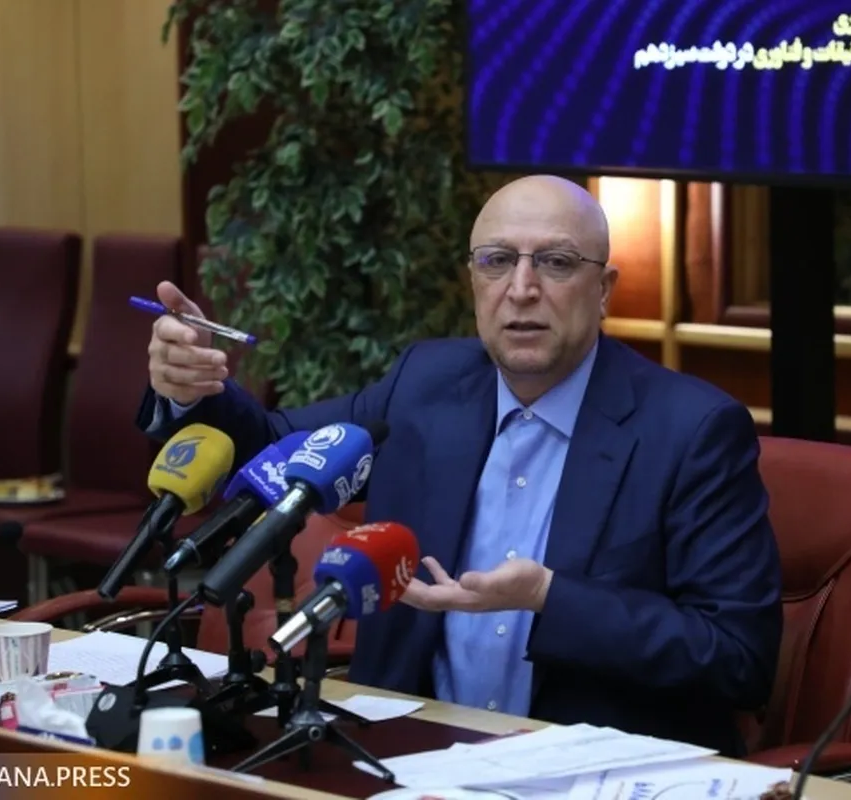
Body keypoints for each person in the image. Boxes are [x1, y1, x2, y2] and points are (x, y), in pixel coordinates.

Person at [136, 175, 783, 755]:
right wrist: (194, 389)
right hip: (410, 759)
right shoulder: (424, 384)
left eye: (556, 263)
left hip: (587, 773)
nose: (521, 290)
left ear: (604, 288)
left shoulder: (692, 431)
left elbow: (739, 659)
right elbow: (274, 447)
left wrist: (549, 598)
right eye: (497, 261)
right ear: (473, 278)